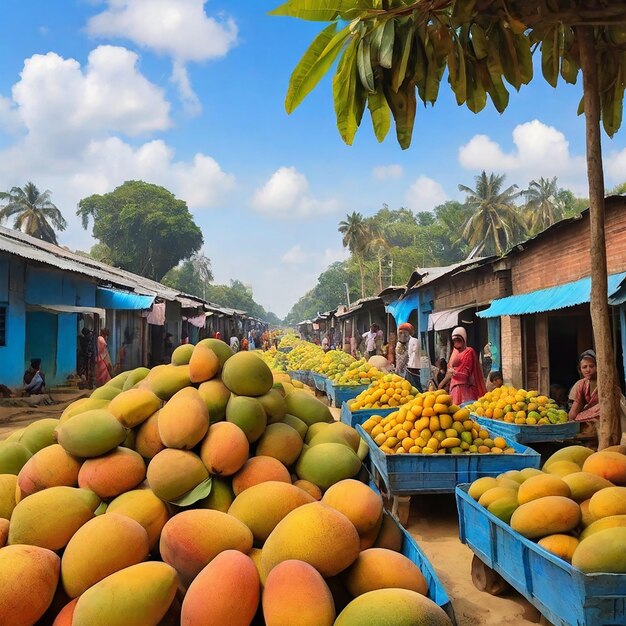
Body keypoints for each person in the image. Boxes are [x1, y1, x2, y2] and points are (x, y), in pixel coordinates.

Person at [439, 327, 486, 405]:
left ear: (464, 338)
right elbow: (449, 371)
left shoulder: (469, 352)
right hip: (454, 388)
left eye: (458, 339)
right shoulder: (455, 353)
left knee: (465, 412)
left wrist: (453, 373)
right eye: (454, 340)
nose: (456, 342)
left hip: (465, 389)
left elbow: (465, 374)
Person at [569, 350, 600, 431]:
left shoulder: (605, 382)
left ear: (597, 366)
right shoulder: (581, 384)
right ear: (580, 369)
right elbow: (575, 408)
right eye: (584, 367)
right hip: (588, 421)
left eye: (591, 366)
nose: (588, 370)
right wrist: (569, 422)